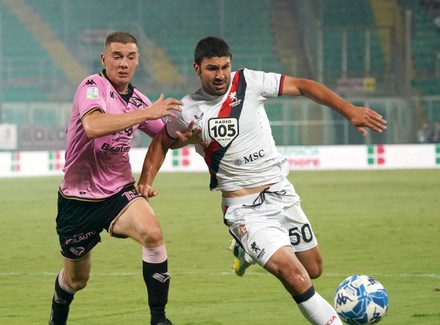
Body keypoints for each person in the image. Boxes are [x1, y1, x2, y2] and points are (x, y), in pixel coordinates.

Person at [137, 36, 387, 324]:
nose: (220, 75)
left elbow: (304, 86)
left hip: (281, 193)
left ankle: (245, 251)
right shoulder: (187, 109)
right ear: (197, 68)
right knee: (294, 275)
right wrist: (145, 181)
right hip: (243, 209)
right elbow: (161, 142)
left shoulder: (250, 82)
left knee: (312, 268)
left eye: (224, 67)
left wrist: (350, 110)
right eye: (211, 69)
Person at [48, 31, 183, 325]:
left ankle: (159, 319)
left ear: (137, 61)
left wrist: (193, 133)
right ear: (104, 59)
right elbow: (94, 126)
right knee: (76, 281)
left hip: (118, 193)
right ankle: (57, 317)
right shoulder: (91, 87)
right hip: (77, 200)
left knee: (152, 233)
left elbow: (167, 136)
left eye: (130, 57)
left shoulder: (139, 100)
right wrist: (145, 113)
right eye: (117, 56)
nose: (123, 63)